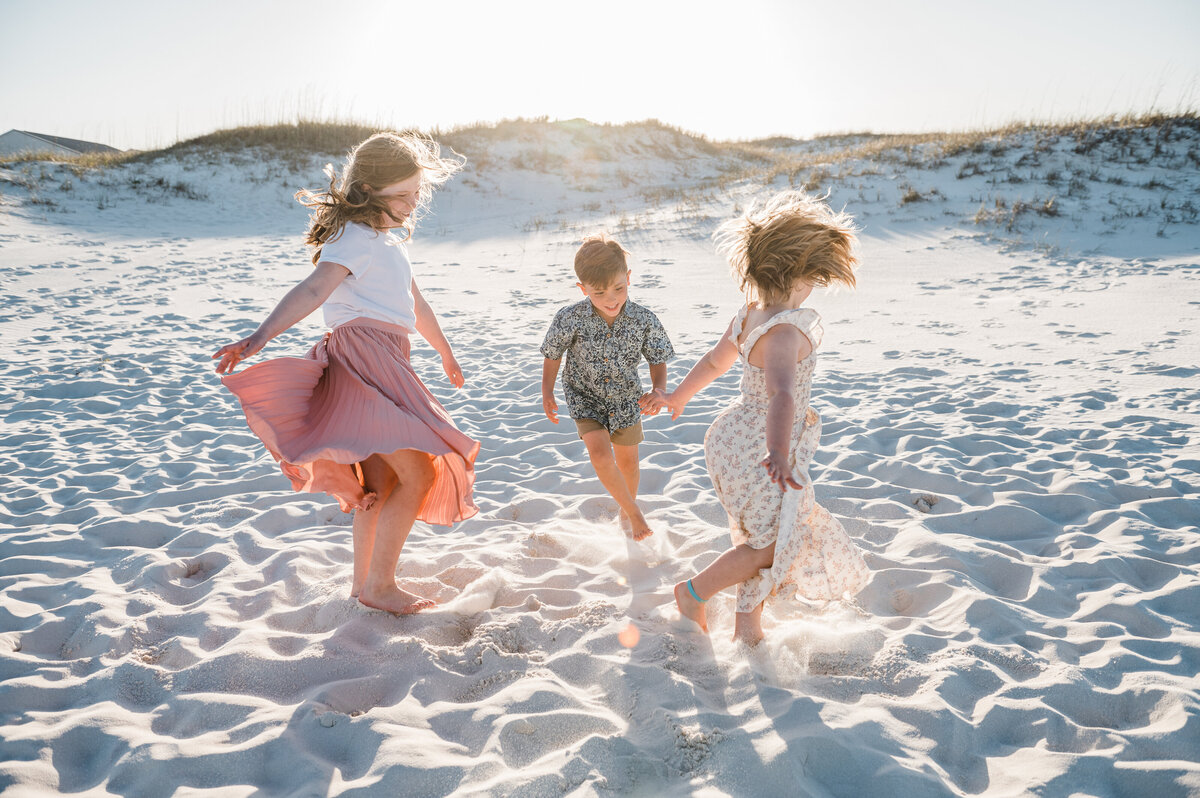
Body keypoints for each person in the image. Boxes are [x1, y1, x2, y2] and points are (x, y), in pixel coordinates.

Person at [212, 131, 478, 616]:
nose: (412, 201)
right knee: (417, 474)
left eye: (416, 192)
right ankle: (380, 584)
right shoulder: (355, 239)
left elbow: (415, 305)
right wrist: (260, 337)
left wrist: (444, 352)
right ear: (368, 191)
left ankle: (364, 588)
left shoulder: (385, 244)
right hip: (366, 359)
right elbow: (313, 291)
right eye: (401, 194)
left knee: (383, 486)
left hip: (389, 359)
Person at [649, 190, 871, 645]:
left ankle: (747, 631)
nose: (813, 286)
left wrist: (678, 398)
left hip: (729, 435)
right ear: (796, 274)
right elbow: (782, 395)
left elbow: (714, 362)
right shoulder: (786, 331)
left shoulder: (750, 316)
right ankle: (694, 593)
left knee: (765, 537)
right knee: (770, 545)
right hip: (761, 443)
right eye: (812, 276)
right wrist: (777, 452)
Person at [540, 235, 675, 541]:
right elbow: (552, 354)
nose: (611, 299)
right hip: (583, 395)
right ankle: (634, 512)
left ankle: (624, 513)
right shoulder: (569, 318)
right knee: (601, 456)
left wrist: (659, 389)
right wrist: (547, 392)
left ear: (628, 279)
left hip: (627, 397)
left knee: (628, 463)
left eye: (619, 289)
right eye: (599, 293)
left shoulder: (643, 319)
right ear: (583, 288)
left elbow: (657, 357)